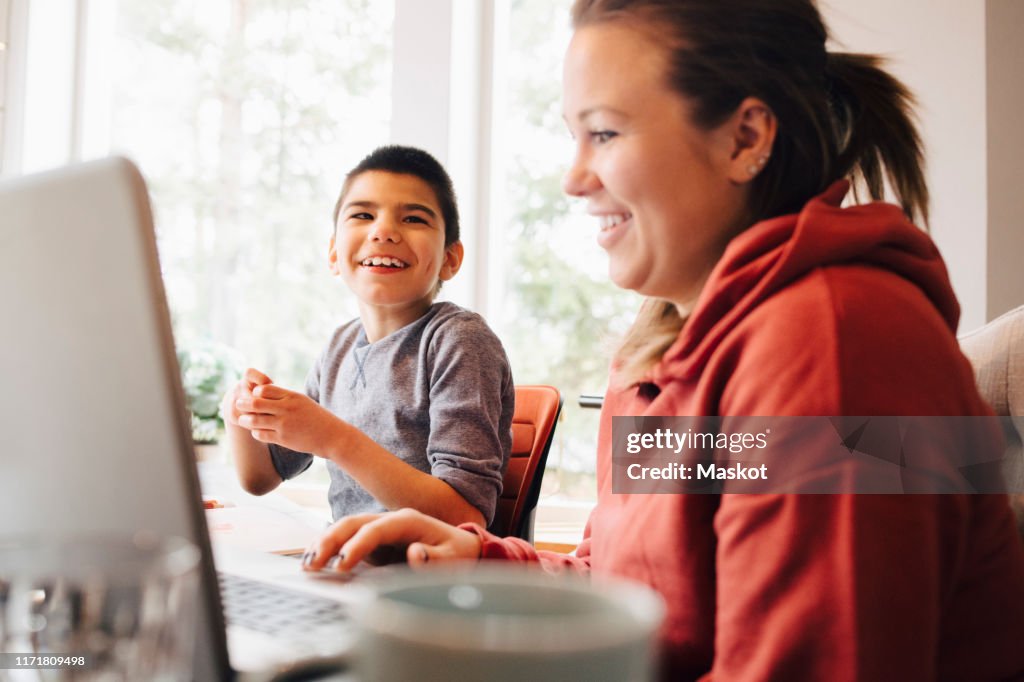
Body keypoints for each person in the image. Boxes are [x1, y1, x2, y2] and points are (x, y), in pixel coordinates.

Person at [303, 2, 1024, 679]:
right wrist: (474, 560)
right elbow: (627, 584)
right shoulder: (655, 352)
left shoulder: (835, 339)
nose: (573, 179)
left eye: (606, 133)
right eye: (573, 136)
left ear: (746, 138)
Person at [221, 145, 514, 528]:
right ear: (333, 253)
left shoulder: (459, 341)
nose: (384, 231)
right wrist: (240, 413)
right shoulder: (338, 348)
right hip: (349, 563)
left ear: (450, 258)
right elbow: (261, 479)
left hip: (420, 578)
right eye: (362, 214)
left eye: (413, 218)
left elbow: (464, 518)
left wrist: (334, 439)